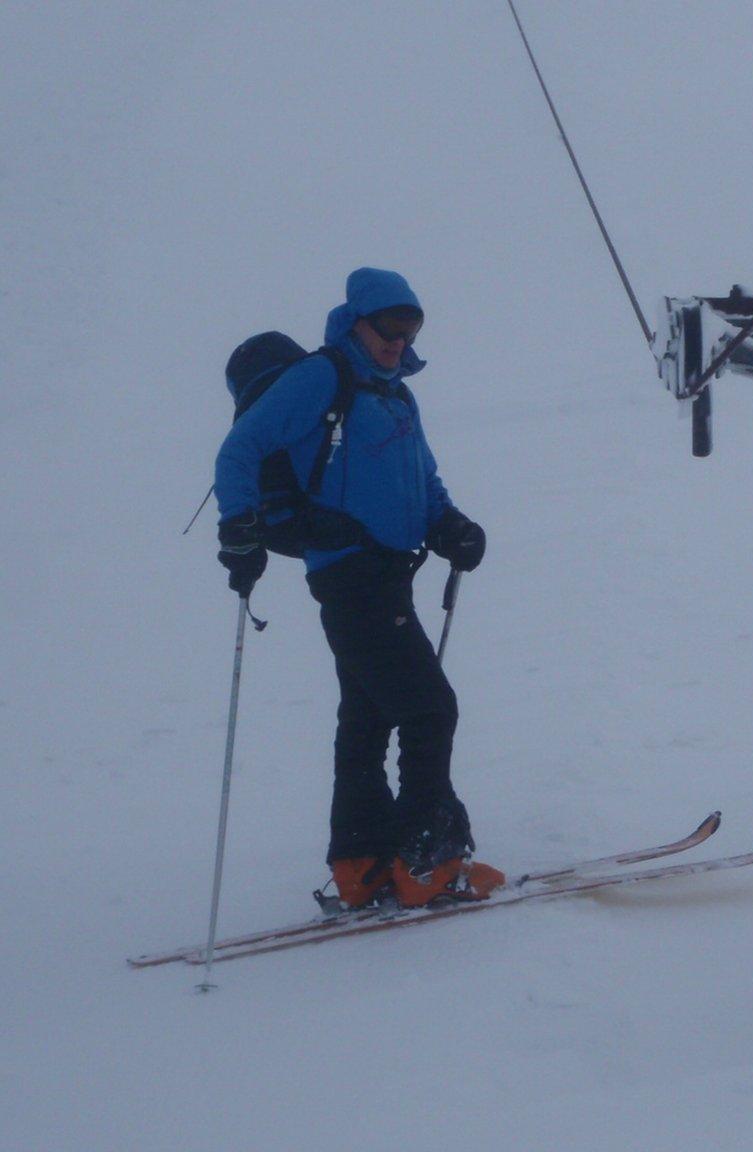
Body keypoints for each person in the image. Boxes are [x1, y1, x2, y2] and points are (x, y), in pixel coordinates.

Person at [214, 267, 504, 909]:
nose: (400, 340)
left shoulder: (396, 393)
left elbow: (422, 478)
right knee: (430, 708)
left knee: (368, 715)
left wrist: (450, 523)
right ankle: (428, 864)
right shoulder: (321, 376)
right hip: (349, 574)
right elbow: (240, 451)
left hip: (390, 574)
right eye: (390, 327)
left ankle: (362, 863)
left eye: (412, 328)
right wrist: (238, 527)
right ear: (355, 322)